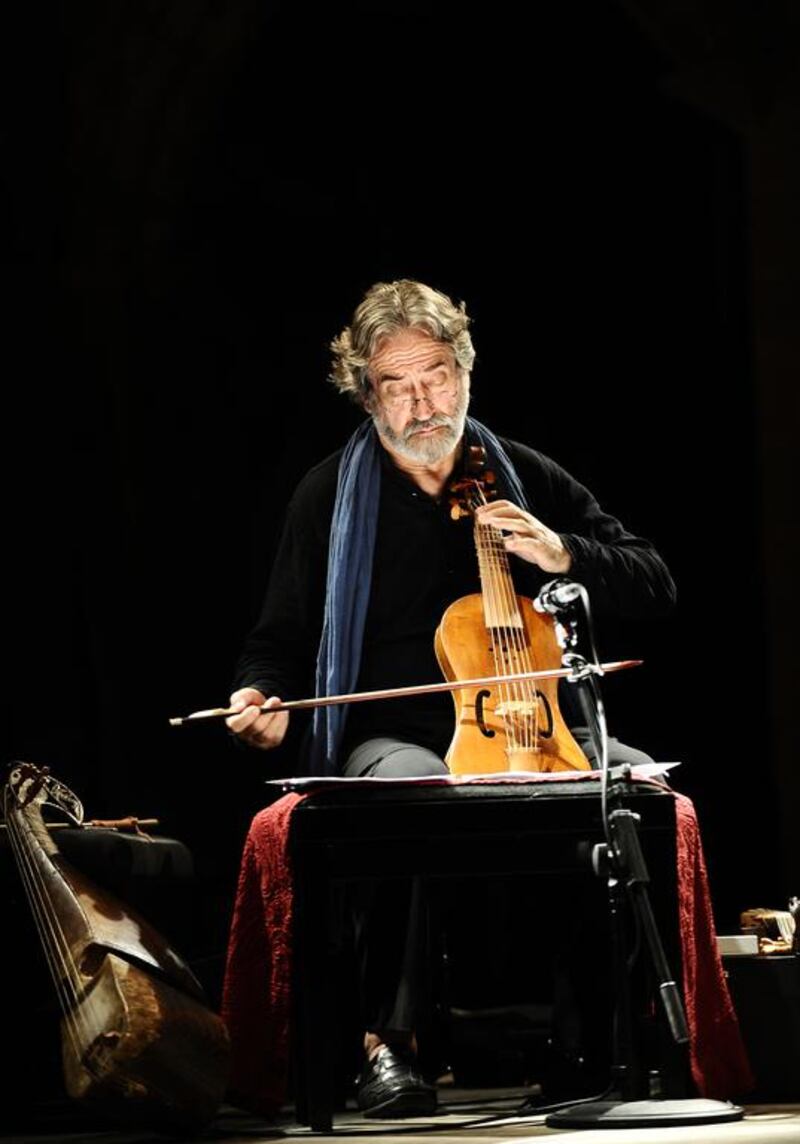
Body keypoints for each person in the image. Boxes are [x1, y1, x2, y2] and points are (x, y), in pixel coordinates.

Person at [226, 279, 676, 1117]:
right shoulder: (328, 495)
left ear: (465, 373)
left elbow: (654, 580)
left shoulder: (523, 476)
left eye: (436, 375)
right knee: (407, 791)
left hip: (539, 721)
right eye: (396, 383)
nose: (423, 401)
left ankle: (598, 1044)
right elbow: (278, 639)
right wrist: (262, 697)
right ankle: (387, 1049)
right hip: (394, 726)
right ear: (368, 396)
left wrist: (562, 549)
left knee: (640, 790)